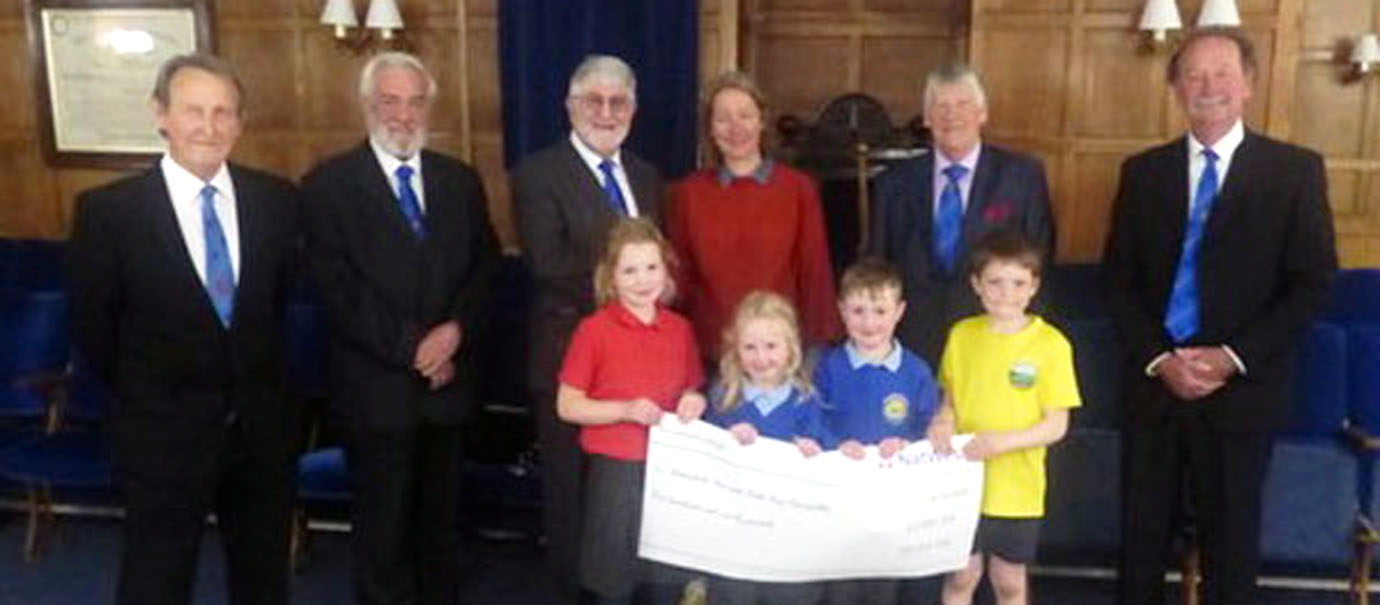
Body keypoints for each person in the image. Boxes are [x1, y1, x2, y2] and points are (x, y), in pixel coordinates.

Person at [1104, 28, 1337, 605]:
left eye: (1223, 73)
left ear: (1249, 85)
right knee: (1139, 549)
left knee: (1231, 554)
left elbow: (1311, 284)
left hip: (1242, 394)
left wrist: (1230, 359)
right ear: (1176, 87)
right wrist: (1162, 360)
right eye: (1195, 75)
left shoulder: (1295, 171)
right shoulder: (1142, 172)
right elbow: (1119, 281)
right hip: (1154, 388)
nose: (1209, 86)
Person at [67, 53, 301, 605]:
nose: (209, 126)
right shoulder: (107, 213)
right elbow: (95, 329)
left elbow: (276, 305)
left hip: (260, 434)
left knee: (264, 580)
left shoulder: (277, 201)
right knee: (156, 581)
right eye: (193, 110)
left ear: (240, 123)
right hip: (161, 436)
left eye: (223, 112)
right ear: (160, 115)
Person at [301, 52, 499, 605]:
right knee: (382, 535)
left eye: (415, 101)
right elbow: (337, 291)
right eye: (390, 100)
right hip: (376, 393)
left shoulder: (459, 181)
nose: (404, 114)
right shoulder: (327, 187)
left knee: (440, 533)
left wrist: (455, 332)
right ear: (368, 106)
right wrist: (416, 348)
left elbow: (484, 269)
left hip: (448, 390)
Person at [511, 54, 664, 603]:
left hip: (640, 371)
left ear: (634, 109)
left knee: (624, 503)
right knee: (571, 505)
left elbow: (658, 266)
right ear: (570, 106)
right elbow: (549, 265)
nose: (606, 111)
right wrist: (633, 290)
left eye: (617, 101)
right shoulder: (537, 173)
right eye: (593, 100)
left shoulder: (646, 176)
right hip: (569, 363)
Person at [556, 218, 706, 605]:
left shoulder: (680, 330)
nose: (643, 280)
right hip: (616, 470)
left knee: (664, 582)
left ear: (666, 270)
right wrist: (624, 410)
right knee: (615, 581)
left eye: (652, 267)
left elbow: (692, 388)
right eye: (630, 270)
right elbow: (567, 405)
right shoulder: (594, 331)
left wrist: (694, 399)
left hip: (670, 470)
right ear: (611, 277)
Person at [927, 230, 1081, 605]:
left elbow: (1056, 425)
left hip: (1017, 489)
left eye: (1017, 283)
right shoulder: (962, 335)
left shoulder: (1051, 344)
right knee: (962, 576)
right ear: (976, 285)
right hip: (963, 484)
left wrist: (1003, 442)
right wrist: (942, 420)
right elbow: (949, 398)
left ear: (1034, 287)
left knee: (1008, 581)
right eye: (994, 282)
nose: (1006, 294)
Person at [868, 63, 1054, 368]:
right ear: (927, 118)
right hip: (912, 339)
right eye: (940, 106)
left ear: (983, 113)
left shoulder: (1022, 175)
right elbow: (877, 262)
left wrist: (1027, 337)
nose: (951, 115)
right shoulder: (894, 182)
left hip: (993, 333)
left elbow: (1040, 257)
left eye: (962, 104)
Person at [667, 71, 839, 357]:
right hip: (711, 354)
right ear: (710, 129)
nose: (735, 128)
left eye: (745, 115)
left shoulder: (798, 189)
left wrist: (817, 350)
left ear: (762, 121)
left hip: (777, 355)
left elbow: (814, 274)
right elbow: (680, 278)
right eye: (723, 118)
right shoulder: (687, 194)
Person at [813, 258, 940, 605]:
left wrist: (907, 444)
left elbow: (932, 427)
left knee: (883, 589)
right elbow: (810, 419)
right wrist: (836, 444)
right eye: (858, 310)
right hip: (839, 501)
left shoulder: (916, 372)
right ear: (841, 310)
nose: (869, 323)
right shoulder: (826, 367)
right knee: (841, 589)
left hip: (893, 503)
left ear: (899, 311)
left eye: (880, 311)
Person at [702, 290, 832, 605]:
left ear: (791, 348)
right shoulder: (722, 400)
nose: (761, 358)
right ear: (735, 348)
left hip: (790, 551)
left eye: (772, 346)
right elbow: (701, 467)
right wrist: (725, 442)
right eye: (750, 347)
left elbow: (828, 467)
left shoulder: (808, 402)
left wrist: (813, 453)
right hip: (732, 548)